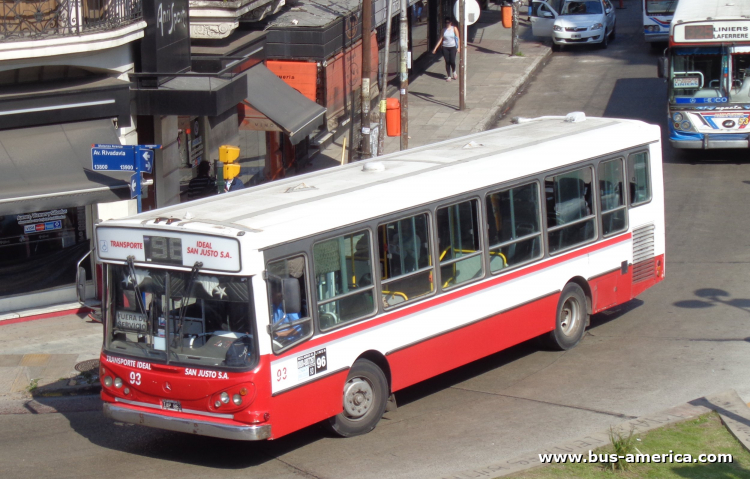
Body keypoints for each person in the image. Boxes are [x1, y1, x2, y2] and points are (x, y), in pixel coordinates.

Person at [432, 17, 460, 82]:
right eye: (446, 23)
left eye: (448, 22)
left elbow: (457, 38)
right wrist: (435, 48)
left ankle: (454, 71)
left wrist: (458, 47)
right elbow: (440, 39)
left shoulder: (454, 29)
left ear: (450, 23)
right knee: (447, 61)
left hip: (453, 47)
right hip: (445, 47)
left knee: (452, 60)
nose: (447, 24)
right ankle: (449, 76)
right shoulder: (443, 30)